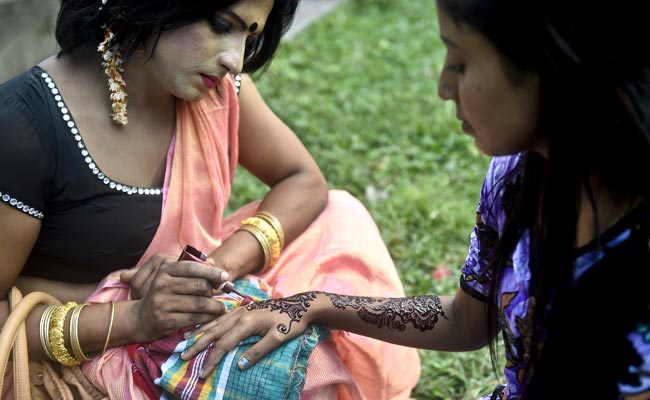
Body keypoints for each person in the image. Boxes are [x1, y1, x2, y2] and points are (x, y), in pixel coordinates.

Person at [183, 0, 650, 398]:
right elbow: (468, 320)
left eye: (462, 62)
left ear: (550, 67)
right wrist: (312, 304)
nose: (444, 87)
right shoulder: (517, 176)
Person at [0, 0, 421, 398]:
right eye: (222, 26)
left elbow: (302, 180)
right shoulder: (25, 125)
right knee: (284, 372)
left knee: (337, 219)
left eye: (249, 37)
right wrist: (135, 318)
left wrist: (211, 269)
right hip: (78, 362)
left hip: (182, 312)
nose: (234, 60)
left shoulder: (217, 89)